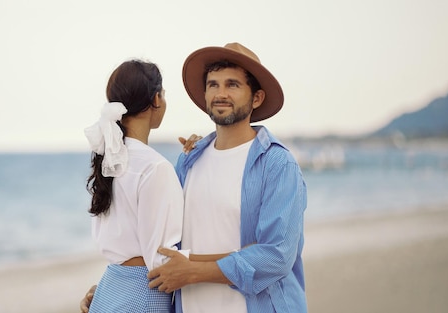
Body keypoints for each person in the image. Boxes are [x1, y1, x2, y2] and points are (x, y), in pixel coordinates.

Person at [81, 42, 307, 313]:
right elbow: (156, 242)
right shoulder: (189, 161)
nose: (220, 93)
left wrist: (195, 270)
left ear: (256, 97)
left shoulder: (277, 164)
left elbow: (277, 256)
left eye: (232, 85)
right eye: (213, 84)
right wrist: (114, 289)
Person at [82, 59, 184, 312]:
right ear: (156, 100)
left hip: (109, 288)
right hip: (144, 296)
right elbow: (161, 262)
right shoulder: (154, 167)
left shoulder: (108, 160)